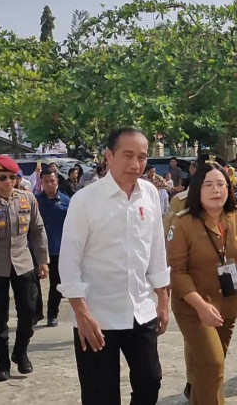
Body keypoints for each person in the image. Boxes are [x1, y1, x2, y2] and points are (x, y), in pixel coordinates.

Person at [58, 128, 170, 404]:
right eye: (127, 155)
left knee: (150, 381)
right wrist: (82, 314)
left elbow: (156, 250)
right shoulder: (85, 200)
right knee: (100, 394)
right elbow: (69, 260)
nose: (136, 165)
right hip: (97, 316)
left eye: (142, 157)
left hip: (140, 310)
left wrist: (163, 300)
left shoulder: (150, 195)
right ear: (109, 156)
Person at [166, 161, 237, 404]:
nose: (216, 190)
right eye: (209, 185)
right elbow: (177, 271)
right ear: (197, 190)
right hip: (193, 307)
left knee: (208, 370)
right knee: (213, 365)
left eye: (221, 185)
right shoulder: (183, 223)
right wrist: (201, 306)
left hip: (227, 304)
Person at [0, 156, 49, 382]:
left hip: (23, 263)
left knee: (29, 312)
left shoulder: (27, 199)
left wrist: (43, 261)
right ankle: (2, 362)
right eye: (2, 178)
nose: (9, 182)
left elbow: (37, 230)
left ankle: (21, 352)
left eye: (12, 177)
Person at [35, 168, 70, 327]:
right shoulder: (35, 201)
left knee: (56, 284)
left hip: (58, 249)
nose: (49, 184)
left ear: (57, 182)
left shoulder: (65, 201)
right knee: (33, 285)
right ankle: (36, 313)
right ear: (41, 182)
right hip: (36, 249)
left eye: (52, 181)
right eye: (46, 181)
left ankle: (52, 315)